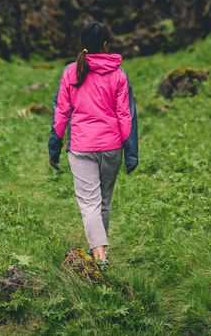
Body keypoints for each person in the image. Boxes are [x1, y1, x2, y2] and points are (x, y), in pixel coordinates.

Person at [48, 22, 138, 269]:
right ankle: (99, 253)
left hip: (81, 146)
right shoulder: (119, 74)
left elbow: (61, 112)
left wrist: (54, 148)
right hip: (112, 147)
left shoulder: (71, 71)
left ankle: (100, 256)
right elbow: (126, 116)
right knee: (103, 202)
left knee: (89, 203)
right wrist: (131, 155)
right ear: (106, 45)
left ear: (82, 44)